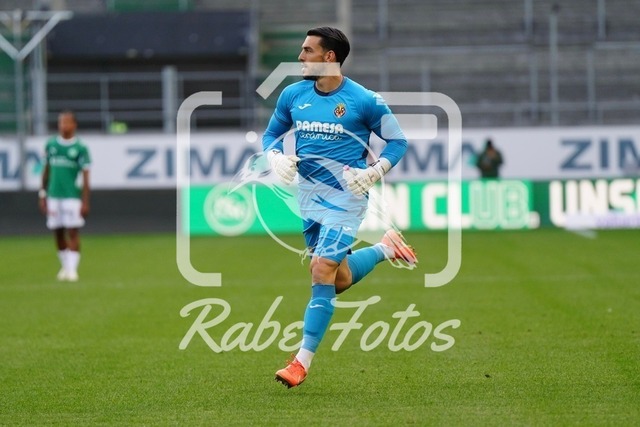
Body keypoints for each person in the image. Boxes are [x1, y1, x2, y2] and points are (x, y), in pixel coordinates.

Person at [262, 27, 418, 388]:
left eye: (307, 50)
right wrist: (275, 157)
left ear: (328, 56)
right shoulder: (292, 95)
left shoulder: (365, 100)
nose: (300, 57)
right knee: (339, 279)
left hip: (347, 197)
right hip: (309, 199)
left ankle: (300, 363)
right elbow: (271, 135)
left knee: (321, 268)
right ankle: (385, 248)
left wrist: (374, 171)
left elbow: (398, 141)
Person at [38, 110, 91, 282]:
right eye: (61, 122)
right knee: (58, 232)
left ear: (74, 125)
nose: (63, 125)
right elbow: (45, 171)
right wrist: (42, 194)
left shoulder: (80, 148)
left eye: (67, 122)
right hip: (53, 195)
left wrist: (85, 201)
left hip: (71, 196)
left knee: (73, 231)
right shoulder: (51, 145)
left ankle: (72, 270)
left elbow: (86, 177)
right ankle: (66, 267)